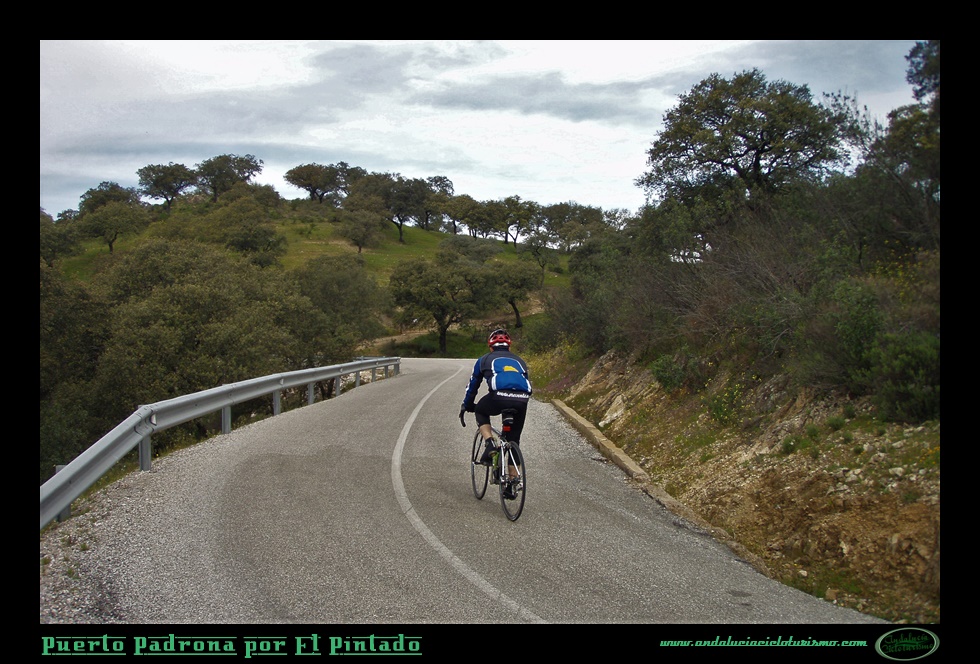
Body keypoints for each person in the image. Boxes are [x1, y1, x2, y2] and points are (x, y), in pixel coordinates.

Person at [459, 328, 532, 474]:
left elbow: (473, 386)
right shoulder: (520, 361)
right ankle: (513, 480)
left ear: (490, 347)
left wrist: (467, 405)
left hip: (498, 397)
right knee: (514, 439)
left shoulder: (484, 360)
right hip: (522, 400)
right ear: (509, 347)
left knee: (480, 410)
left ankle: (490, 443)